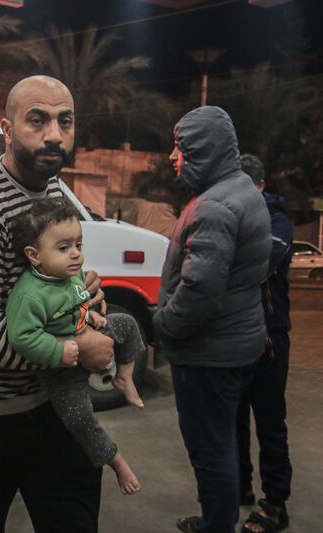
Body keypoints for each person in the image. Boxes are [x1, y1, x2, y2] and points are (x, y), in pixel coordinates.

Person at [0, 75, 113, 533]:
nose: (54, 134)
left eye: (65, 121)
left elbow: (52, 281)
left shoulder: (52, 190)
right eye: (37, 120)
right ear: (8, 129)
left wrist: (82, 289)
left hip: (52, 402)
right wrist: (77, 349)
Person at [154, 106, 271, 533]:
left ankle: (217, 525)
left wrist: (162, 323)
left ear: (204, 149)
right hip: (235, 347)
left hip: (209, 355)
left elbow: (199, 294)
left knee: (211, 449)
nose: (173, 156)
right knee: (222, 443)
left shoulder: (216, 207)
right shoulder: (242, 190)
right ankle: (217, 519)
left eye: (181, 147)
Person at [7, 197, 143, 496]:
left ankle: (125, 375)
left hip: (86, 330)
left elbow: (80, 302)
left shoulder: (72, 276)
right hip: (61, 370)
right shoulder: (29, 295)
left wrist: (91, 312)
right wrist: (60, 351)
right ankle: (115, 461)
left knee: (128, 324)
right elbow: (23, 337)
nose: (76, 255)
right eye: (64, 248)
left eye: (78, 245)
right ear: (34, 255)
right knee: (81, 420)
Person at [237, 154, 293, 533]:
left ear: (259, 185)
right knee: (232, 420)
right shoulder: (239, 218)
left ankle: (275, 505)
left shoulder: (278, 220)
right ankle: (237, 488)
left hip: (269, 336)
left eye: (244, 187)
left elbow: (262, 260)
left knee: (270, 424)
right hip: (235, 335)